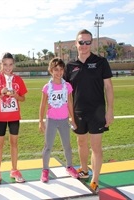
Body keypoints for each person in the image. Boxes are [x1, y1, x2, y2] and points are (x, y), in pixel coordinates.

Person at [64, 29, 114, 193]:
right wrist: (69, 113)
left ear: (91, 43)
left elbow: (108, 87)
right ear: (75, 44)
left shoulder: (101, 62)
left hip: (97, 112)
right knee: (81, 142)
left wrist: (110, 110)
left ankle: (95, 179)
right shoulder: (70, 66)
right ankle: (84, 169)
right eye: (81, 42)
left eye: (87, 42)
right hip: (78, 112)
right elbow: (67, 93)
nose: (84, 45)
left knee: (96, 147)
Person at [0, 52, 28, 186]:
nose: (8, 67)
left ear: (13, 65)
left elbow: (23, 98)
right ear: (1, 64)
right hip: (1, 118)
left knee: (14, 144)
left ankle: (14, 170)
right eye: (5, 64)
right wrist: (1, 94)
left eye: (10, 64)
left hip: (14, 116)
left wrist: (16, 95)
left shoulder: (18, 79)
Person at [39, 57, 79, 183]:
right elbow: (43, 105)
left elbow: (70, 103)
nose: (59, 72)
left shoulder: (67, 86)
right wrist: (41, 121)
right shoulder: (47, 87)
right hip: (51, 120)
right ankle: (45, 170)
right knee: (48, 146)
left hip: (64, 120)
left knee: (67, 145)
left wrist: (72, 118)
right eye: (56, 69)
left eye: (61, 69)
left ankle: (69, 166)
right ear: (51, 71)